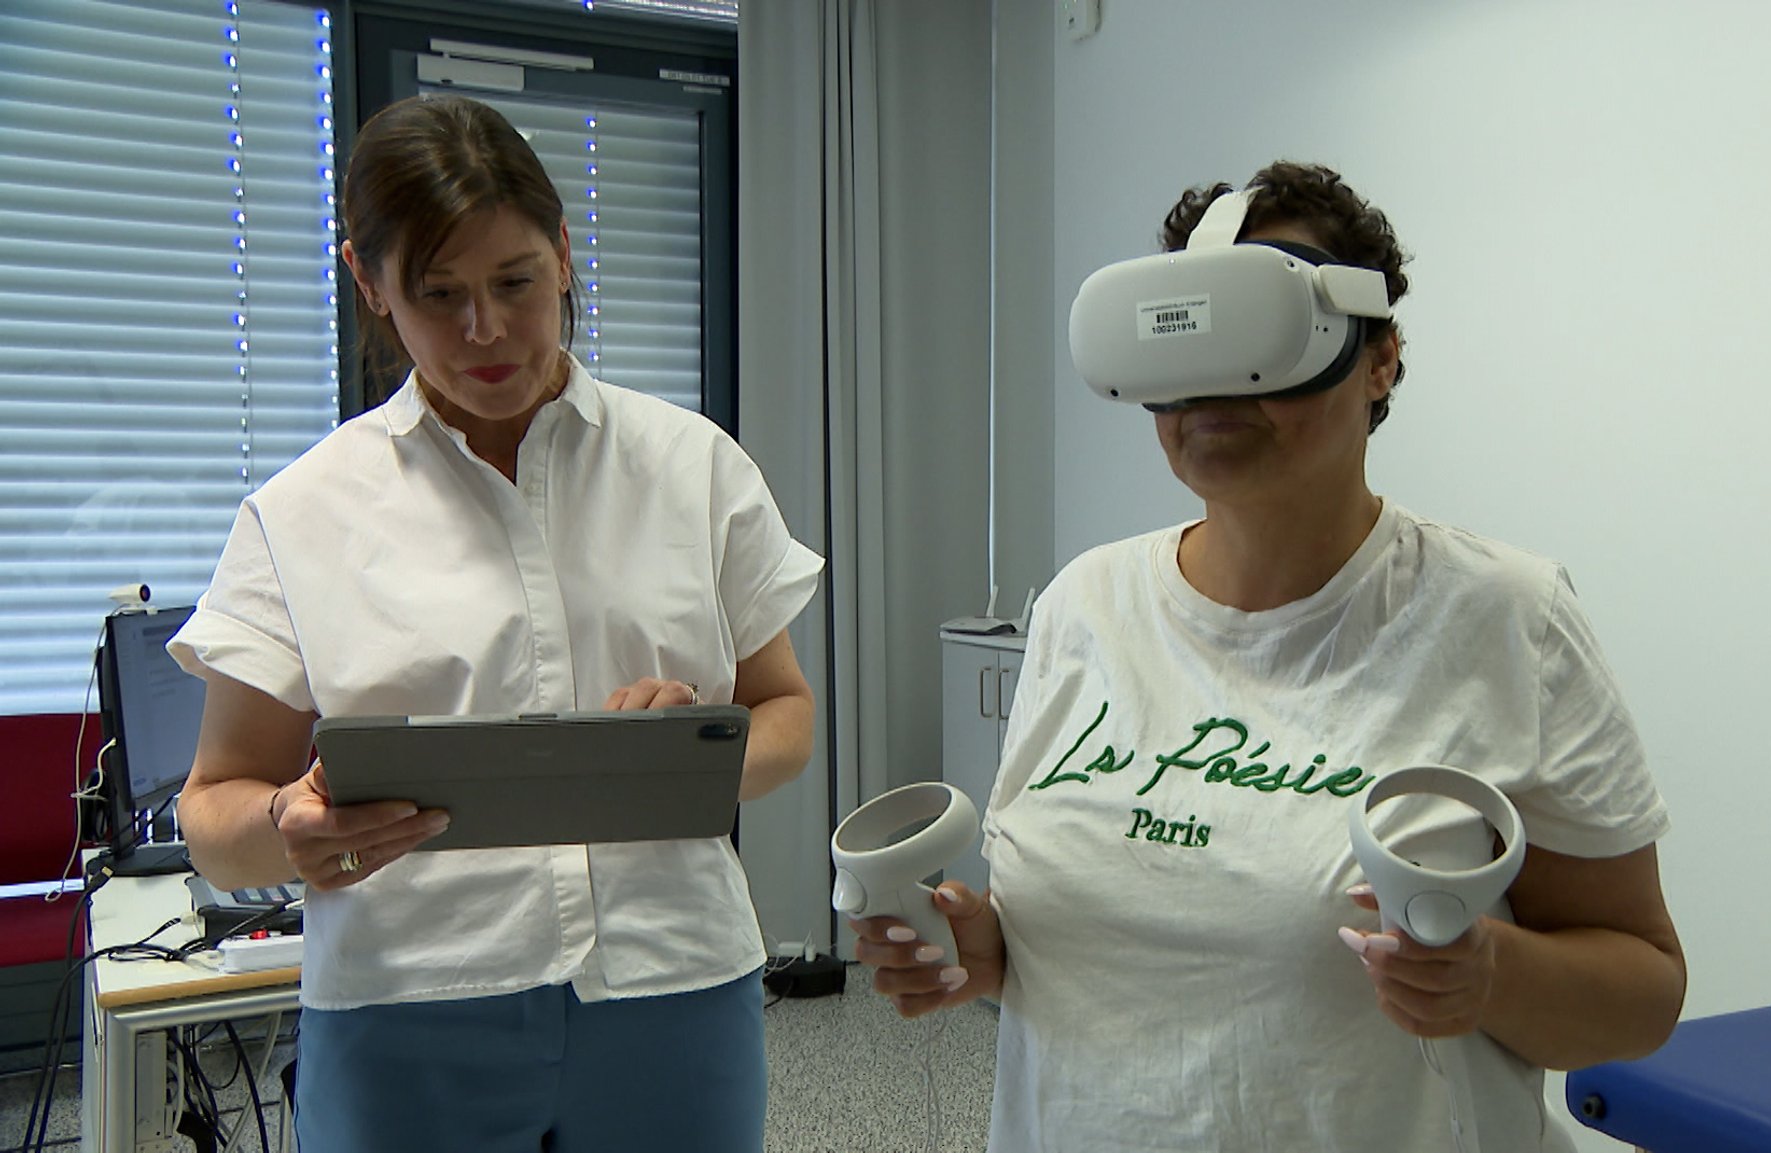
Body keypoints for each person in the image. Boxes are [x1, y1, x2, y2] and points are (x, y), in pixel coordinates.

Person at [852, 161, 1685, 1151]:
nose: (1215, 387)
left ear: (1377, 360)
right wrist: (989, 949)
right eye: (1187, 336)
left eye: (1260, 333)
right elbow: (1094, 944)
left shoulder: (1504, 615)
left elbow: (1641, 992)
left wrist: (1488, 974)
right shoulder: (1082, 602)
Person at [167, 95, 821, 1153]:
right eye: (438, 295)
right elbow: (214, 813)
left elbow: (783, 711)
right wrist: (293, 823)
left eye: (514, 283)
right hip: (407, 1004)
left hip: (672, 980)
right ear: (367, 282)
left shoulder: (691, 466)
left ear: (562, 254)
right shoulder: (302, 513)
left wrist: (696, 746)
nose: (485, 330)